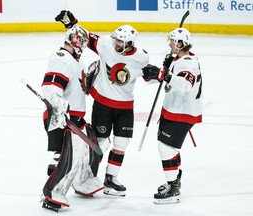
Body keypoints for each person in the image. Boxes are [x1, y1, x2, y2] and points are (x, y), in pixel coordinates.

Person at [55, 10, 156, 196]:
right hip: (103, 104)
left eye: (120, 42)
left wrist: (158, 75)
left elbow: (151, 79)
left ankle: (111, 179)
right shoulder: (106, 45)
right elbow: (86, 37)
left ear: (130, 44)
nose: (116, 43)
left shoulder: (141, 56)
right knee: (100, 143)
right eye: (116, 39)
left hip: (125, 107)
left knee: (121, 143)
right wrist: (71, 23)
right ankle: (86, 178)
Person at [40, 25, 104, 212]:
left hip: (76, 119)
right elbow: (51, 87)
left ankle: (84, 182)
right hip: (61, 118)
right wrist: (59, 109)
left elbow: (78, 90)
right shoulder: (61, 58)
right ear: (74, 41)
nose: (84, 45)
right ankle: (51, 195)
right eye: (82, 41)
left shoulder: (79, 63)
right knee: (64, 158)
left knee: (87, 153)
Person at [142, 28, 203, 204]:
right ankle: (174, 181)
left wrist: (165, 75)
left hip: (182, 113)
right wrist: (157, 74)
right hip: (174, 110)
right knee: (169, 148)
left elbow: (185, 85)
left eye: (172, 41)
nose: (169, 44)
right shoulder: (180, 59)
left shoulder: (188, 63)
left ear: (180, 44)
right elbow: (167, 78)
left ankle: (173, 188)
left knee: (166, 148)